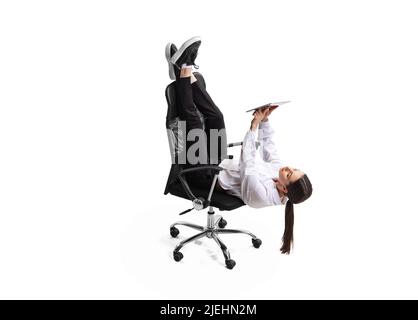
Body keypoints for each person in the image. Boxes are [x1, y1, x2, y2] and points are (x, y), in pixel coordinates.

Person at [166, 36, 313, 254]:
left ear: (283, 189)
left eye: (290, 175)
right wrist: (264, 120)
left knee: (194, 124)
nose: (288, 169)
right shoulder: (279, 174)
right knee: (216, 117)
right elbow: (270, 149)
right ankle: (182, 71)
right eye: (295, 169)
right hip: (217, 162)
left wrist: (253, 126)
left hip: (204, 175)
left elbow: (249, 161)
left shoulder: (261, 196)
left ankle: (185, 68)